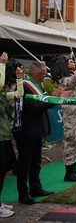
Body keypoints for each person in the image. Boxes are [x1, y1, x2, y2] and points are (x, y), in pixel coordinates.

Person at [15, 61, 62, 205]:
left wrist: (52, 98)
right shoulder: (24, 86)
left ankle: (36, 187)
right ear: (37, 74)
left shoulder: (37, 86)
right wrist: (53, 99)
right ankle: (23, 194)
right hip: (27, 131)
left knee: (36, 162)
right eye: (43, 74)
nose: (45, 77)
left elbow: (40, 103)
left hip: (36, 130)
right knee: (24, 164)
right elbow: (33, 108)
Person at [48, 55, 76, 182]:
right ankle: (69, 172)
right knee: (71, 140)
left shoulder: (75, 75)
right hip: (72, 114)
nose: (73, 62)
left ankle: (74, 170)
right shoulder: (63, 80)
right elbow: (73, 81)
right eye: (69, 61)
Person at [0, 53, 23, 217]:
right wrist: (2, 64)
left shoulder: (2, 96)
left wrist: (20, 78)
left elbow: (18, 95)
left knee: (3, 171)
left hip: (5, 137)